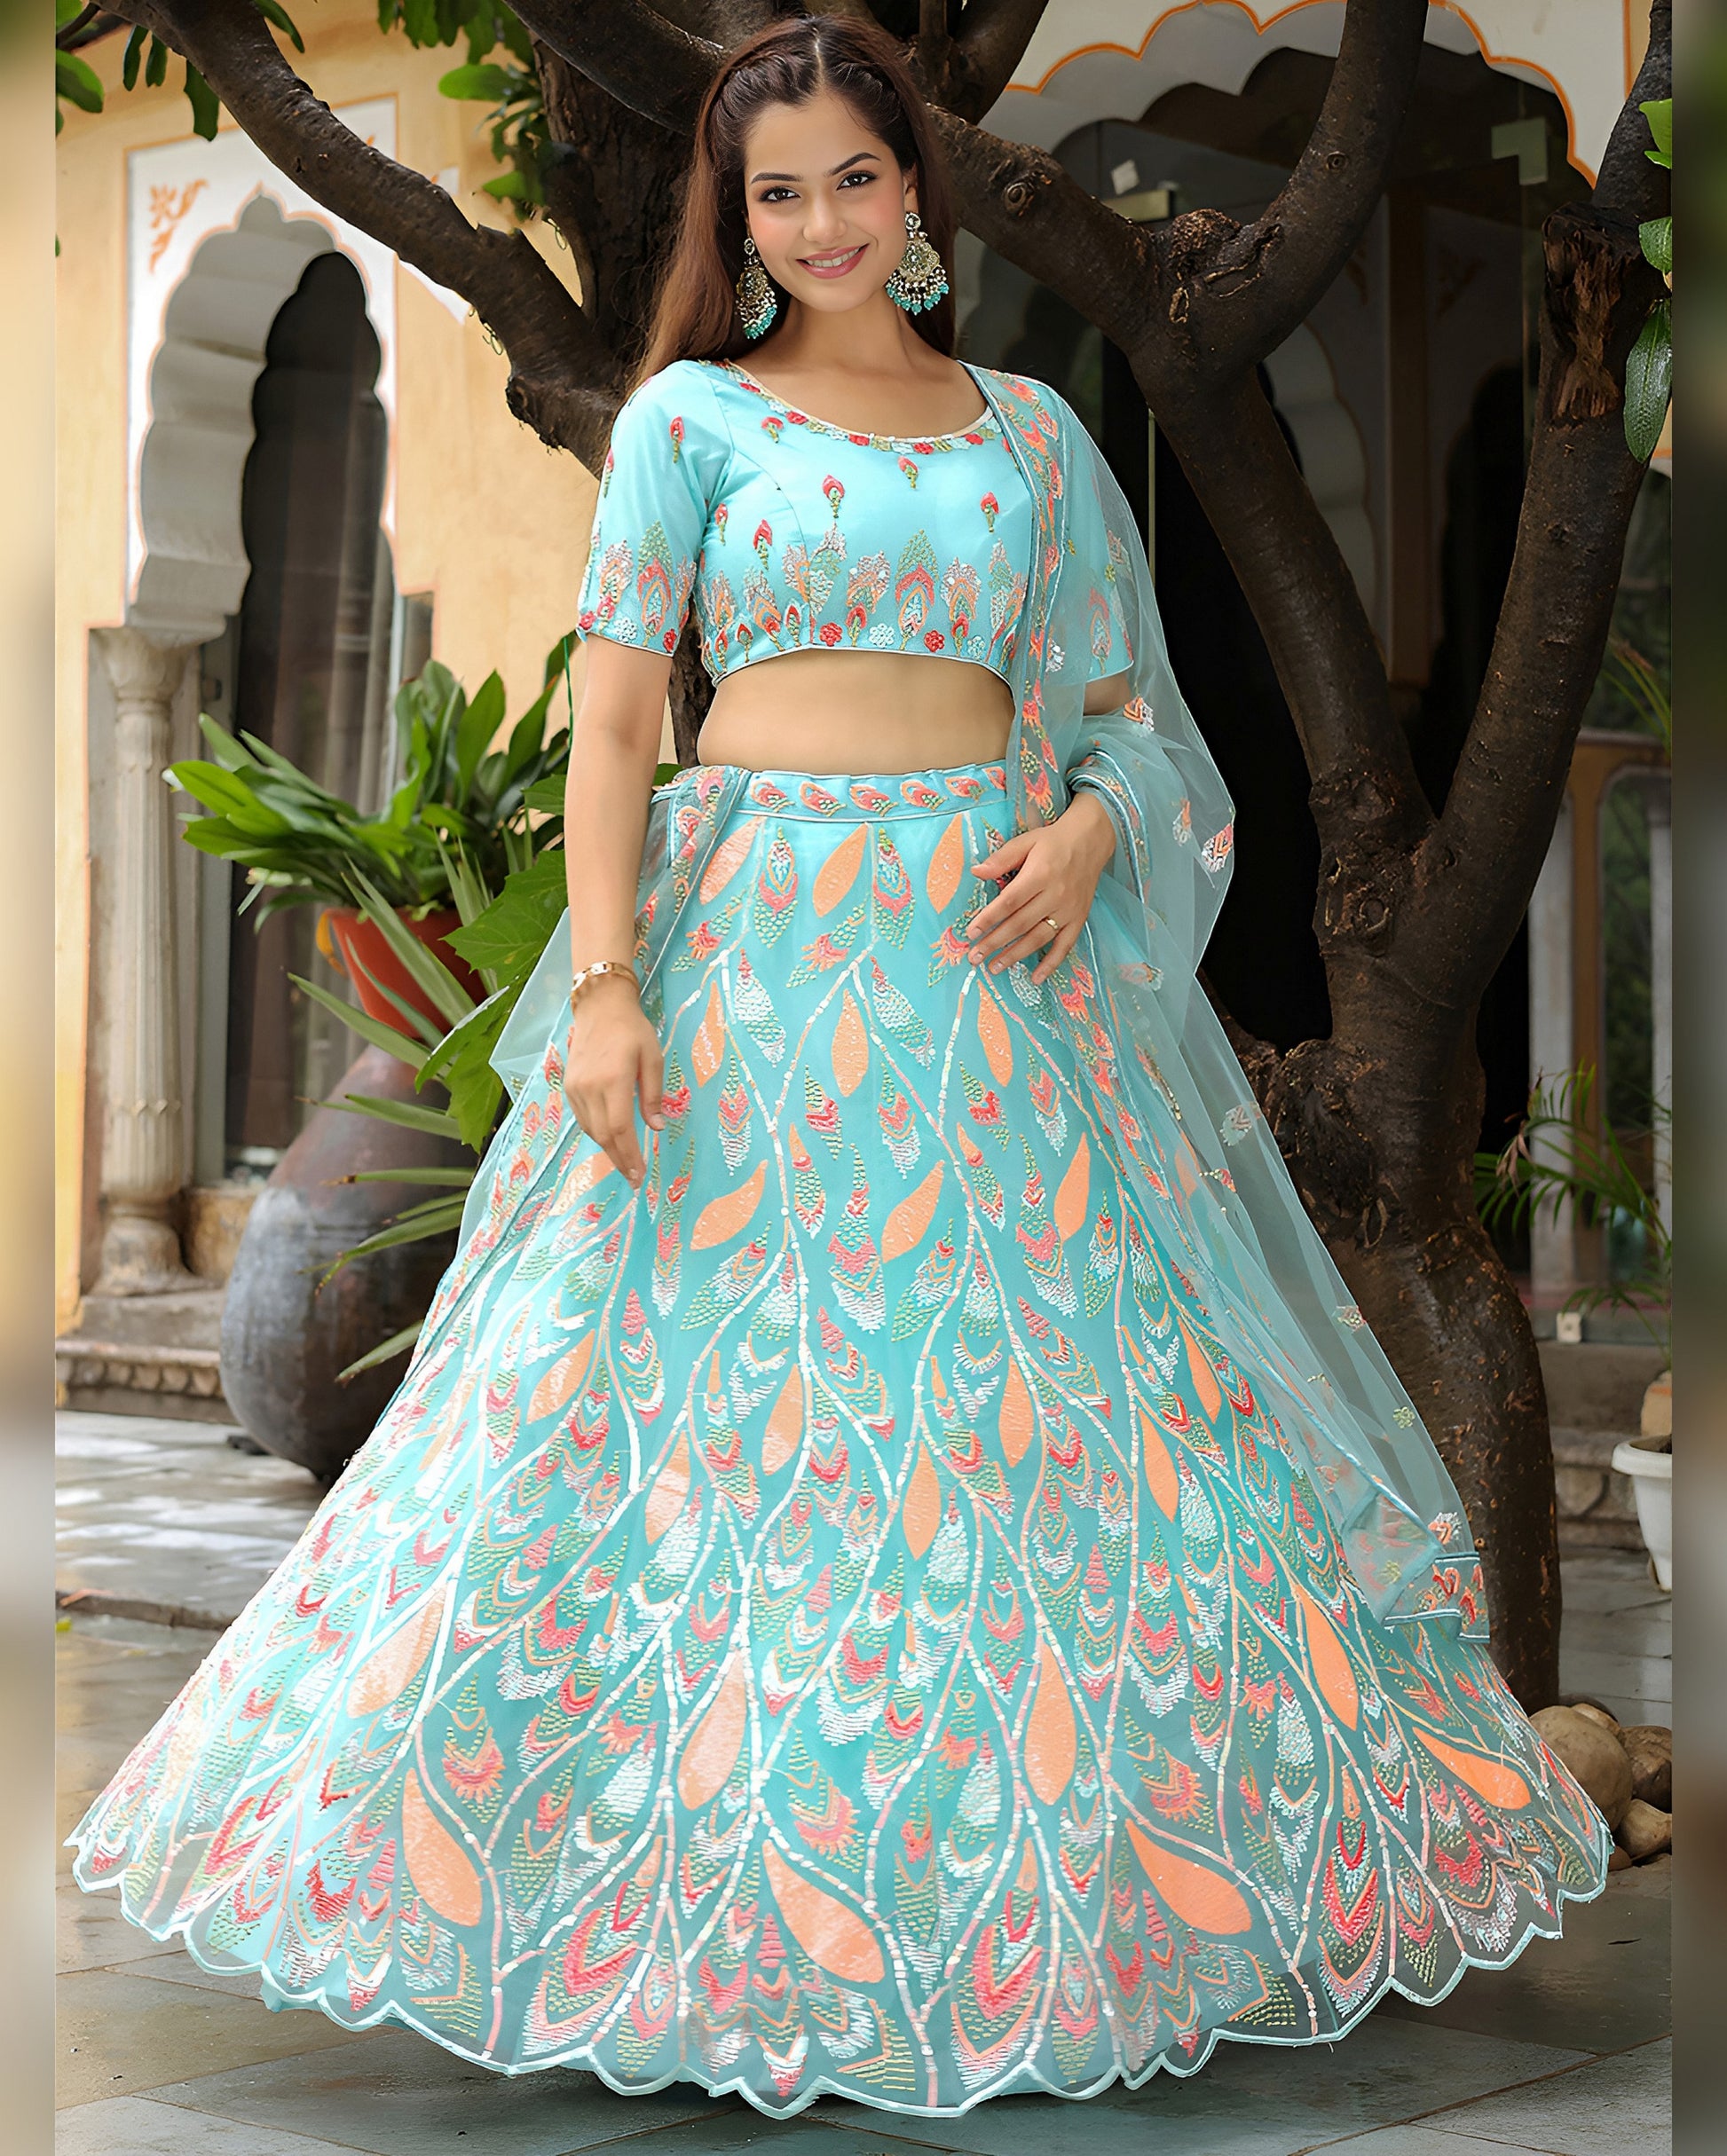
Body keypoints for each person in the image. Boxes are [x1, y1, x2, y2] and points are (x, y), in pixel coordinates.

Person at [71, 15, 1607, 2121]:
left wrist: (1084, 831)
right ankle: (669, 1911)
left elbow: (1130, 728)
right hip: (750, 969)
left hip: (991, 987)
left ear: (918, 187)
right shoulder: (692, 421)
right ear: (738, 215)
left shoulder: (1027, 445)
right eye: (772, 193)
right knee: (694, 1434)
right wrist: (604, 990)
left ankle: (1037, 1908)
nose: (813, 225)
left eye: (850, 181)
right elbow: (618, 729)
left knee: (1030, 1446)